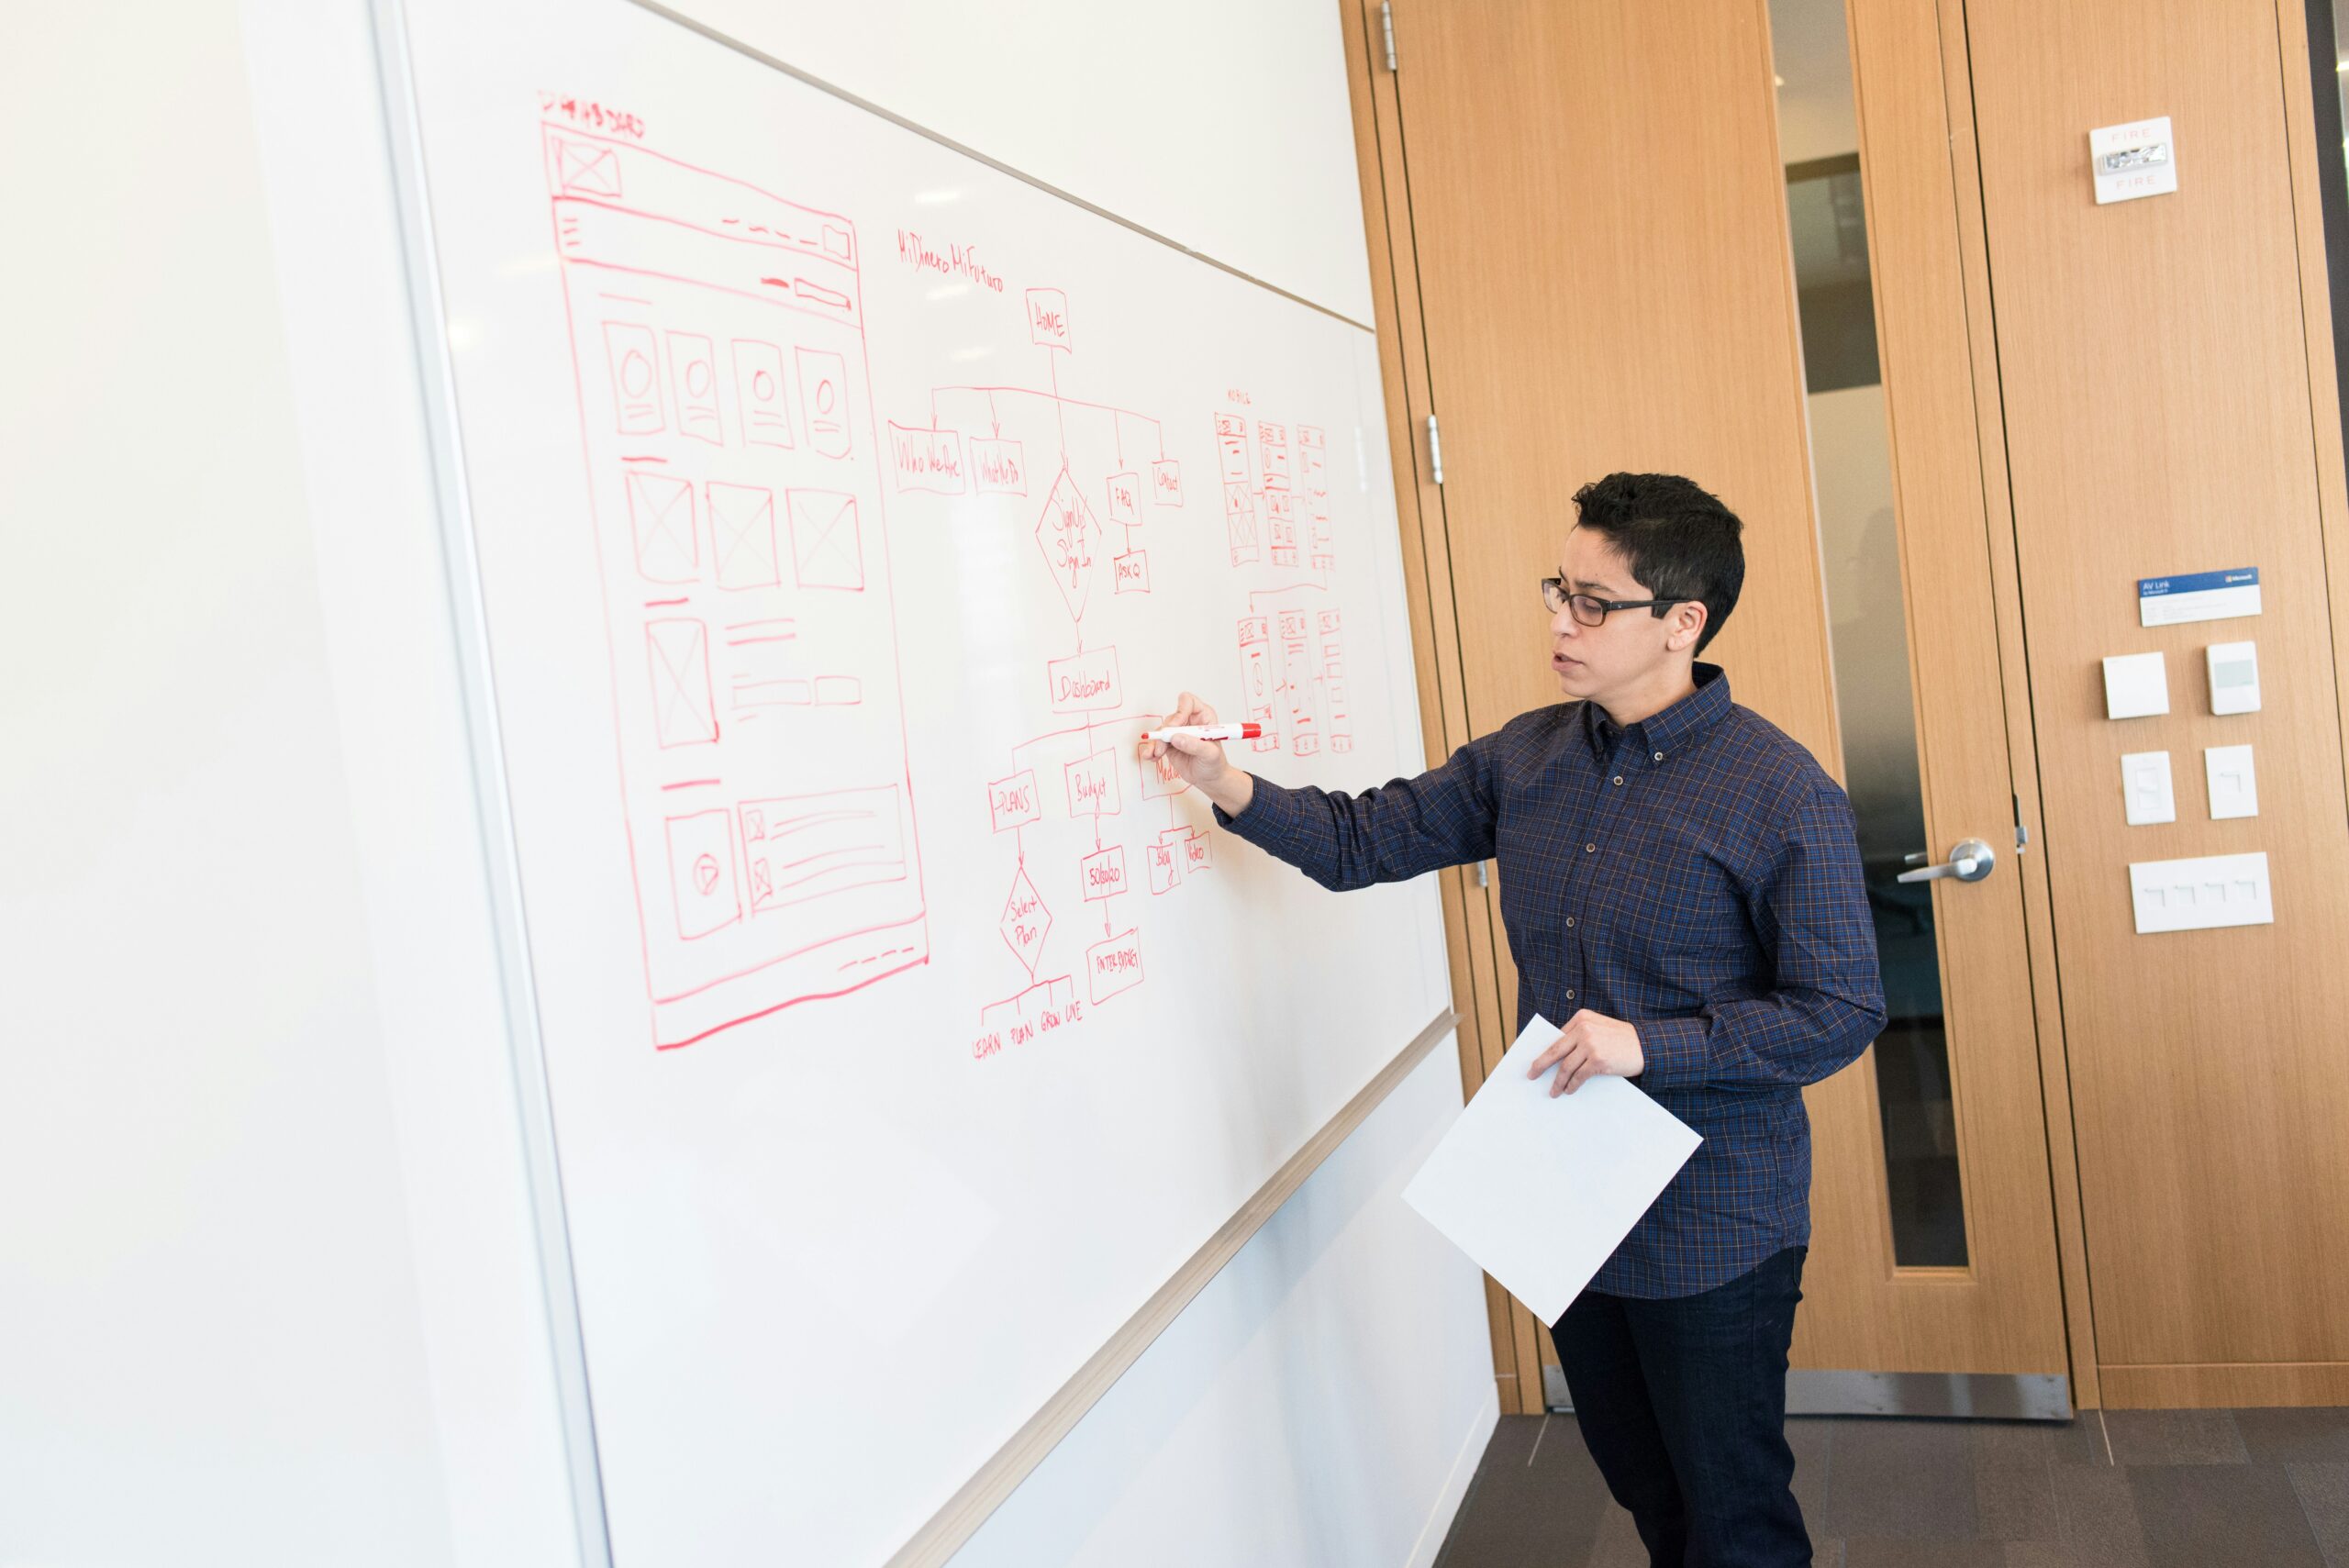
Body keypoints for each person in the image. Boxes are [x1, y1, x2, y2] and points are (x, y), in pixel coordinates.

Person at [1140, 472, 1886, 1567]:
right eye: (1558, 589)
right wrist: (1224, 779)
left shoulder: (1780, 791)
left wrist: (1652, 1044)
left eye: (1594, 602)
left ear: (1683, 622)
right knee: (1647, 1492)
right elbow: (1364, 841)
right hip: (1567, 1199)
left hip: (1712, 1218)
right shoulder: (1527, 755)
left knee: (1733, 1514)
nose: (1558, 621)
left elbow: (1840, 1010)